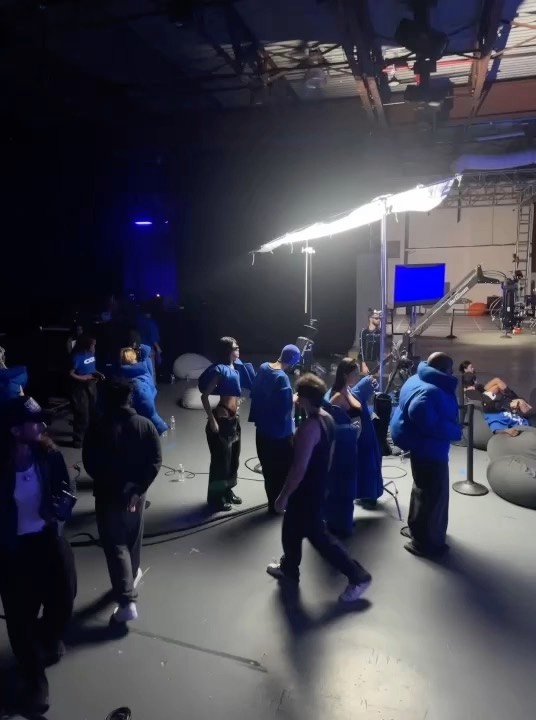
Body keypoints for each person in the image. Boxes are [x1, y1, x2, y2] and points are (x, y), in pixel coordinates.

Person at [0, 396, 77, 715]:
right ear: (15, 430)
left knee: (64, 597)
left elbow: (66, 491)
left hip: (48, 539)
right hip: (14, 550)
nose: (42, 425)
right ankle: (34, 681)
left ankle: (48, 637)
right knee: (20, 619)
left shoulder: (49, 455)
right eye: (35, 421)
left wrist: (59, 510)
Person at [266, 373, 372, 603]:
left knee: (320, 538)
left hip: (306, 491)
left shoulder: (309, 428)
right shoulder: (327, 418)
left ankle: (358, 576)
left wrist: (283, 496)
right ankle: (289, 568)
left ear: (303, 399)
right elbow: (329, 457)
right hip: (316, 486)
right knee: (290, 530)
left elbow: (298, 468)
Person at [82, 378, 162, 623]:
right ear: (130, 398)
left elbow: (90, 462)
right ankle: (132, 574)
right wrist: (137, 488)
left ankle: (127, 601)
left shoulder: (98, 427)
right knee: (133, 537)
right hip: (136, 494)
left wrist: (114, 484)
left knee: (115, 545)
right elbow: (155, 460)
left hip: (109, 494)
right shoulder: (145, 425)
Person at [390, 352, 462, 558]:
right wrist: (455, 431)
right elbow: (424, 416)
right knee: (433, 497)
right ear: (443, 370)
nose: (452, 373)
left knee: (421, 490)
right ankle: (424, 543)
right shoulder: (431, 391)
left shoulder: (417, 377)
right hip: (430, 452)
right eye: (450, 369)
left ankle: (417, 530)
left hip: (420, 448)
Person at [199, 337, 255, 511]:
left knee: (233, 461)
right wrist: (212, 419)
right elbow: (204, 396)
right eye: (235, 348)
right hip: (221, 421)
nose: (238, 350)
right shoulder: (220, 370)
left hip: (233, 420)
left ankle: (227, 491)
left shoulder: (235, 368)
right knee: (220, 463)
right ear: (227, 351)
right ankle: (216, 499)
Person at [249, 344, 301, 513]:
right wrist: (296, 397)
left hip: (262, 431)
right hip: (280, 435)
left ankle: (273, 503)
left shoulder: (264, 367)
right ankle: (282, 504)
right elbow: (285, 407)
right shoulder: (282, 378)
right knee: (284, 470)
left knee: (269, 471)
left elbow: (257, 392)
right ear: (293, 361)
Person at [323, 358, 362, 536]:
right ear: (346, 374)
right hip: (342, 449)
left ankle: (341, 520)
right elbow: (327, 421)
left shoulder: (348, 390)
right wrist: (349, 429)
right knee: (342, 487)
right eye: (355, 373)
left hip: (350, 446)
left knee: (347, 487)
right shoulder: (338, 396)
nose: (358, 376)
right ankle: (337, 523)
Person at [119, 346, 168, 435]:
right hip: (146, 399)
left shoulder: (136, 383)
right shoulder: (143, 367)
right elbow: (147, 349)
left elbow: (149, 410)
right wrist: (137, 347)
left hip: (142, 417)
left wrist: (160, 427)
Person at [70, 334, 102, 448]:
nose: (94, 347)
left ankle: (91, 436)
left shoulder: (91, 353)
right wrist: (83, 378)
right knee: (82, 414)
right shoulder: (76, 357)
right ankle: (78, 440)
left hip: (91, 385)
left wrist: (98, 373)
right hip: (80, 388)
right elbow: (70, 373)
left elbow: (92, 367)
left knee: (93, 411)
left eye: (95, 345)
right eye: (92, 345)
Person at [137, 309, 162, 381]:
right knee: (151, 369)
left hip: (139, 348)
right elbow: (153, 336)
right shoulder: (150, 323)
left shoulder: (139, 322)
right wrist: (158, 347)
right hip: (148, 348)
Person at [359, 309, 381, 375]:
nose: (378, 320)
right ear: (370, 319)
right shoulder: (363, 332)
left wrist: (381, 365)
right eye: (376, 318)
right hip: (366, 362)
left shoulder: (380, 332)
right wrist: (363, 364)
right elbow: (361, 349)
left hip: (376, 362)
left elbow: (381, 350)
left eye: (379, 318)